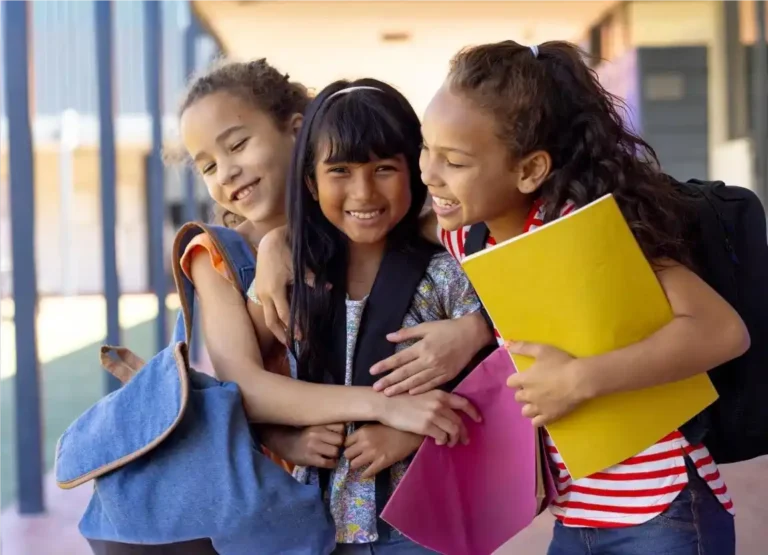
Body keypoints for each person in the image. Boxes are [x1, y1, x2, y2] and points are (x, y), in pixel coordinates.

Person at [254, 41, 750, 555]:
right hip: (578, 515)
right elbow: (373, 219)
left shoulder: (581, 227)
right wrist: (277, 242)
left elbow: (721, 330)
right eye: (426, 149)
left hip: (660, 508)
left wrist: (580, 379)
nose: (428, 174)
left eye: (456, 161)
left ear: (530, 170)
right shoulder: (466, 237)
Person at [177, 59, 487, 452]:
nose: (226, 173)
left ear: (297, 132)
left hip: (378, 469)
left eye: (238, 145)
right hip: (282, 485)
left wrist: (477, 329)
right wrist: (284, 438)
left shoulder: (375, 231)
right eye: (207, 166)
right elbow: (240, 386)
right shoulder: (216, 255)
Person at [270, 77, 491, 553]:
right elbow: (246, 387)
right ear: (310, 182)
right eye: (340, 171)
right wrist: (284, 440)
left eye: (385, 168)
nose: (364, 191)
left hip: (424, 523)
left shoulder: (449, 271)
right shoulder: (289, 281)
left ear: (415, 170)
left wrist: (408, 435)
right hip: (314, 525)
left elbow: (504, 375)